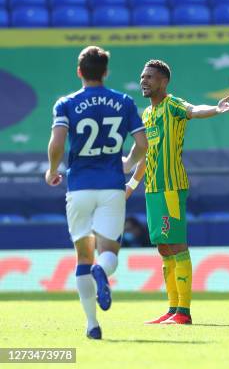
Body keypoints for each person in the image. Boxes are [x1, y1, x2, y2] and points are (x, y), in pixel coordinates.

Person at [45, 46, 148, 339]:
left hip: (78, 187)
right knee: (109, 254)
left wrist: (53, 170)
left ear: (80, 72)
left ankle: (92, 325)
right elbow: (142, 144)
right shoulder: (124, 102)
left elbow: (57, 144)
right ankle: (102, 270)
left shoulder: (66, 103)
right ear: (105, 72)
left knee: (82, 257)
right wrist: (128, 162)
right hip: (112, 187)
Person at [125, 59, 229, 325]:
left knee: (176, 245)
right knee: (163, 247)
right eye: (142, 77)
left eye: (149, 77)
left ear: (163, 81)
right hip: (153, 188)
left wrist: (216, 110)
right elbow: (145, 155)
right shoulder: (147, 115)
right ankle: (172, 309)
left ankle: (184, 311)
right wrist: (131, 185)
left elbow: (194, 110)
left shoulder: (172, 105)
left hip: (171, 187)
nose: (144, 81)